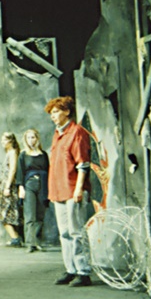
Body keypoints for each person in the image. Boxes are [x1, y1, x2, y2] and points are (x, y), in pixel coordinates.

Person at [45, 96, 93, 287]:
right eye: (51, 113)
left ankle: (83, 271)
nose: (53, 116)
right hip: (58, 190)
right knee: (64, 232)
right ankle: (70, 269)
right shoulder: (57, 134)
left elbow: (83, 164)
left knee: (76, 231)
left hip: (73, 189)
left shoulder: (77, 132)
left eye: (56, 112)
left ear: (67, 111)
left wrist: (79, 189)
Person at [17, 129, 50, 253]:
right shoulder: (23, 154)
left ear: (37, 138)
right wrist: (21, 187)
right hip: (29, 184)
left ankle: (37, 241)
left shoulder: (43, 154)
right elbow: (20, 172)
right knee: (30, 215)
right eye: (28, 138)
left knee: (40, 215)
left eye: (33, 137)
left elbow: (48, 170)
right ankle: (30, 243)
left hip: (43, 185)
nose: (31, 140)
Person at [0, 132, 22, 247]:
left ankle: (15, 238)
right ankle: (15, 237)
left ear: (11, 141)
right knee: (3, 213)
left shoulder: (12, 153)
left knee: (5, 213)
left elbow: (12, 170)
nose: (2, 142)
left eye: (5, 140)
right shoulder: (9, 153)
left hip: (9, 186)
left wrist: (7, 186)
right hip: (4, 185)